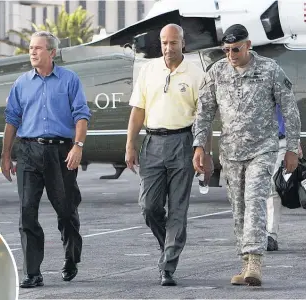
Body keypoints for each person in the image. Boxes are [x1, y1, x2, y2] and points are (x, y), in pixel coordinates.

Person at [192, 24, 301, 286]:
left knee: (254, 201)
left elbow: (290, 108)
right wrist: (199, 147)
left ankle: (255, 260)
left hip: (263, 150)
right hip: (230, 153)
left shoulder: (269, 69)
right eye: (226, 49)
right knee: (239, 208)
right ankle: (245, 263)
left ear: (248, 45)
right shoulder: (217, 71)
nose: (231, 54)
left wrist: (292, 147)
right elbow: (204, 112)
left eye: (236, 49)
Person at [1, 31, 91, 288]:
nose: (32, 52)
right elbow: (12, 121)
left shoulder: (69, 79)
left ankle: (71, 258)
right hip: (28, 152)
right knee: (26, 212)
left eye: (38, 48)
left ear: (52, 53)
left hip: (60, 153)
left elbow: (81, 115)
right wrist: (6, 155)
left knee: (66, 210)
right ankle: (33, 272)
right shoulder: (21, 83)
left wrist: (78, 146)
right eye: (30, 48)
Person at [125, 24, 210, 286]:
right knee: (149, 207)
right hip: (152, 143)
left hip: (183, 142)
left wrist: (201, 149)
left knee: (177, 209)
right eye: (164, 43)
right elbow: (138, 110)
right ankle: (168, 246)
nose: (168, 48)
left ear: (183, 44)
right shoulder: (148, 70)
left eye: (173, 43)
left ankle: (168, 266)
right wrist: (130, 144)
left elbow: (204, 117)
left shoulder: (197, 74)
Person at [266, 105, 303, 251]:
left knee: (273, 188)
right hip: (252, 145)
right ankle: (253, 233)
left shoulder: (279, 83)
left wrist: (294, 144)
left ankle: (271, 235)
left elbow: (291, 112)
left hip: (280, 142)